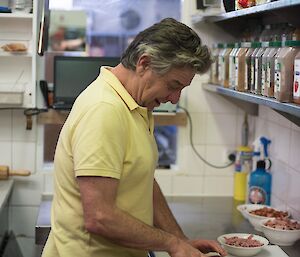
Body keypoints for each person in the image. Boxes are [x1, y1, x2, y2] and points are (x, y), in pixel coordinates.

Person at [42, 18, 227, 257]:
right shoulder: (104, 110)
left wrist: (182, 240)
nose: (175, 98)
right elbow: (100, 217)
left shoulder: (135, 105)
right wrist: (171, 243)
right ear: (144, 63)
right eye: (173, 85)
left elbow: (142, 180)